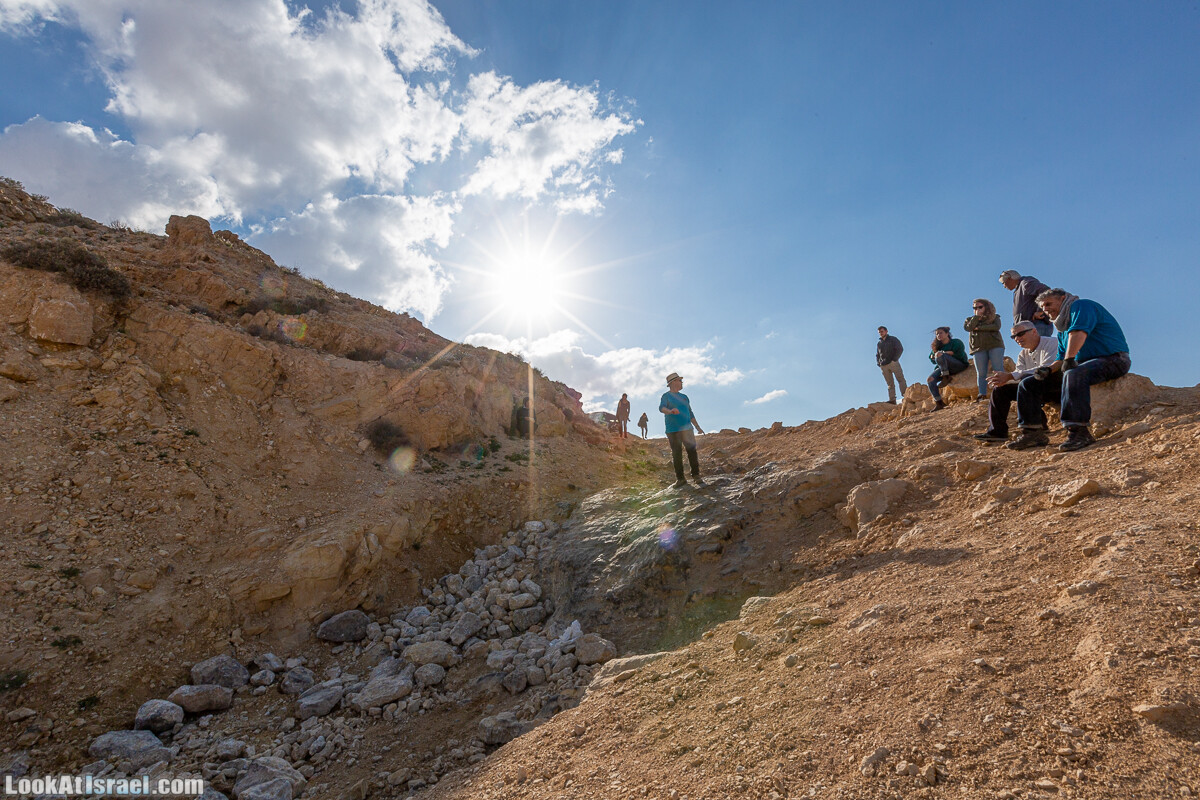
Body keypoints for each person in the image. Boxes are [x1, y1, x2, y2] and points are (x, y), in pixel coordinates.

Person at [1007, 288, 1131, 452]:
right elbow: (1061, 357)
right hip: (1079, 363)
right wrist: (1048, 370)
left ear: (1063, 299)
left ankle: (1078, 432)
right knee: (1029, 383)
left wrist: (1070, 359)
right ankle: (1032, 433)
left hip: (1112, 359)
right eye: (1043, 307)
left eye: (1049, 304)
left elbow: (1078, 332)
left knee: (1073, 372)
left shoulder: (1081, 306)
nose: (1046, 310)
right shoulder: (1062, 327)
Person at [972, 320, 1058, 442]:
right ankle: (997, 431)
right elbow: (1020, 374)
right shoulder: (1023, 354)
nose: (1017, 338)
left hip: (1056, 386)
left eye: (1020, 334)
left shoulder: (1052, 343)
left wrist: (1010, 376)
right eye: (1014, 336)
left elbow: (1047, 368)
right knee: (1001, 390)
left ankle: (1032, 432)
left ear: (1034, 331)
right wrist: (1004, 380)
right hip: (1034, 389)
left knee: (1027, 382)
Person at [659, 372, 704, 488]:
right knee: (676, 454)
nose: (682, 382)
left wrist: (698, 427)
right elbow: (661, 408)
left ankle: (696, 476)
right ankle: (680, 479)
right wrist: (670, 411)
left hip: (687, 429)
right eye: (680, 380)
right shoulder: (666, 396)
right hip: (672, 430)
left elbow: (690, 413)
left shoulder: (685, 397)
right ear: (673, 382)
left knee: (692, 452)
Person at [963, 298, 1005, 401]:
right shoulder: (970, 319)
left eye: (980, 307)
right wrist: (976, 317)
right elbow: (968, 328)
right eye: (975, 308)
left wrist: (979, 328)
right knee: (981, 373)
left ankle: (1001, 392)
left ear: (986, 307)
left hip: (995, 345)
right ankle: (982, 394)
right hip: (978, 348)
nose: (977, 309)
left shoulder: (994, 317)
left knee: (998, 369)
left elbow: (996, 327)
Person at [999, 270, 1053, 336]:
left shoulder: (1025, 282)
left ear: (1009, 278)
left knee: (1040, 346)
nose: (1004, 286)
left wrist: (1040, 311)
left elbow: (1045, 290)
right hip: (1028, 328)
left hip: (1036, 325)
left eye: (1003, 283)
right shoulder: (1019, 288)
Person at [926, 327, 968, 411]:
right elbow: (932, 359)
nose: (938, 335)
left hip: (958, 365)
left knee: (940, 354)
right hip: (943, 368)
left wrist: (944, 354)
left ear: (947, 333)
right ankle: (939, 403)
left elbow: (959, 354)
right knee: (930, 380)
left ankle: (946, 377)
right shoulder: (937, 347)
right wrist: (937, 355)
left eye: (941, 333)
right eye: (937, 334)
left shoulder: (956, 342)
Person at [876, 326, 906, 403]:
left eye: (882, 331)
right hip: (884, 366)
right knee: (890, 384)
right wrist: (879, 363)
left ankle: (906, 396)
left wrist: (894, 359)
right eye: (879, 332)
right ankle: (892, 400)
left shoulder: (893, 339)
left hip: (893, 363)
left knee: (900, 379)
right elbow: (877, 354)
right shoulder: (879, 343)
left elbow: (900, 349)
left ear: (886, 331)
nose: (881, 333)